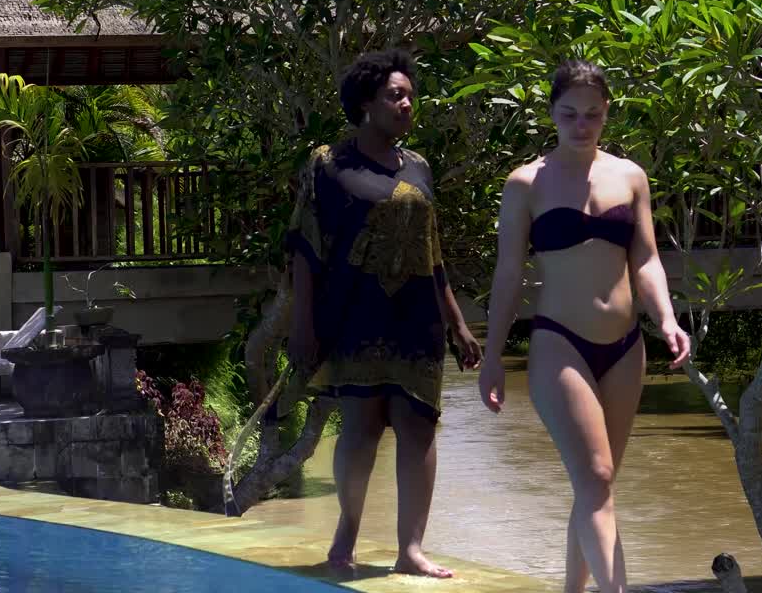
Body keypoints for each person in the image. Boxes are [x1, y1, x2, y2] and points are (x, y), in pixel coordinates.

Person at [478, 60, 690, 593]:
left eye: (592, 114)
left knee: (597, 487)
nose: (581, 125)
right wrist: (492, 355)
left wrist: (665, 316)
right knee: (595, 479)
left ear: (606, 113)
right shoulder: (525, 183)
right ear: (551, 112)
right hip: (559, 343)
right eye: (569, 113)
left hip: (625, 347)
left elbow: (645, 259)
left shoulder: (630, 176)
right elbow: (508, 276)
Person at [285, 48, 482, 579]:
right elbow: (304, 247)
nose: (407, 104)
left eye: (410, 96)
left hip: (417, 318)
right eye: (396, 95)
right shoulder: (328, 163)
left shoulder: (418, 167)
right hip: (355, 315)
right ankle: (346, 535)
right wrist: (302, 324)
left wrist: (458, 323)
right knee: (361, 429)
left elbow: (432, 252)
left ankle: (410, 550)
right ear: (367, 103)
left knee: (419, 427)